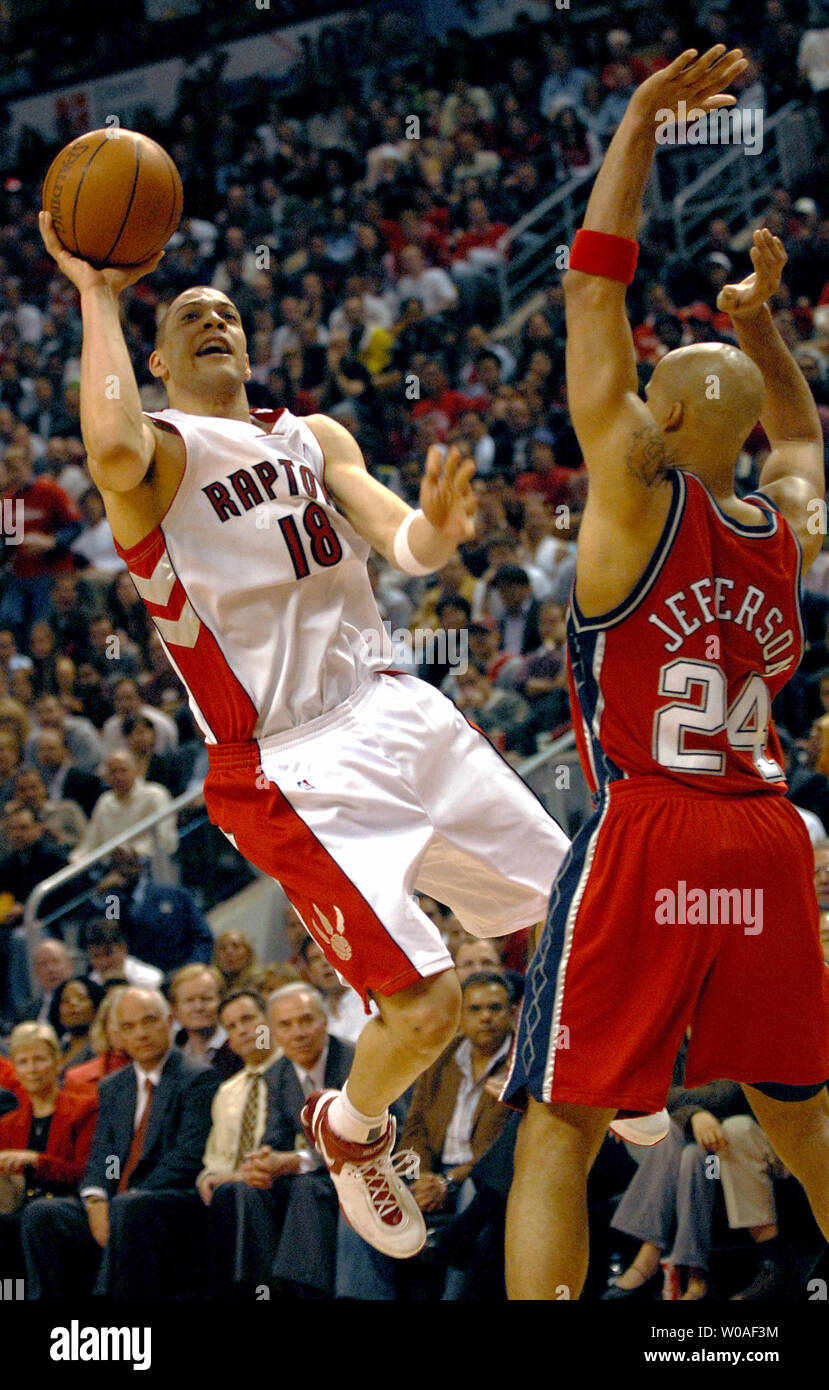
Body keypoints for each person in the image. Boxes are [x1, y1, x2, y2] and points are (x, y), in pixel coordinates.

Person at [38, 207, 572, 1260]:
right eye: (189, 314)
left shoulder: (310, 435)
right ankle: (350, 1125)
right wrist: (98, 291)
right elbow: (105, 436)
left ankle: (594, 1068)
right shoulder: (154, 455)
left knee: (578, 910)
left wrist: (439, 529)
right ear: (153, 357)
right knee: (417, 1010)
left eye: (229, 312)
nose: (215, 321)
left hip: (395, 702)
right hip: (290, 759)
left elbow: (401, 539)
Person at [503, 47, 829, 1300]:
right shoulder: (778, 530)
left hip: (651, 827)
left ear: (664, 414)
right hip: (764, 835)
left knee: (558, 1127)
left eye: (650, 387)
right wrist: (760, 329)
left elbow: (595, 289)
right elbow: (796, 431)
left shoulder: (633, 492)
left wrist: (636, 122)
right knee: (798, 1116)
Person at [20, 985, 220, 1299]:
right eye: (129, 1027)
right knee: (43, 1215)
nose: (140, 1033)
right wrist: (97, 1200)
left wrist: (122, 1203)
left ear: (169, 1021)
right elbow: (103, 1155)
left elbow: (187, 1158)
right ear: (118, 1035)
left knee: (130, 1208)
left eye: (149, 1021)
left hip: (170, 1202)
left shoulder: (198, 1078)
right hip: (119, 1202)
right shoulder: (115, 1086)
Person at [208, 983, 352, 1298]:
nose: (298, 1033)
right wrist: (261, 1163)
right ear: (273, 1032)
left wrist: (295, 1161)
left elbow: (360, 1141)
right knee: (249, 1188)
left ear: (325, 1021)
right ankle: (262, 1291)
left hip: (360, 1171)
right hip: (318, 1172)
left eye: (306, 1020)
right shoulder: (279, 1074)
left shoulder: (354, 1061)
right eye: (285, 1025)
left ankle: (304, 1293)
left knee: (305, 1185)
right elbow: (273, 1139)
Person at [0, 1022, 98, 1279]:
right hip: (21, 1209)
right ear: (16, 1070)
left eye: (39, 1059)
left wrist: (36, 1161)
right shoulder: (7, 1124)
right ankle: (11, 1298)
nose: (31, 1069)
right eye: (23, 1062)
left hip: (70, 1209)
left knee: (32, 1218)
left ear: (57, 1062)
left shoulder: (85, 1110)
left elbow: (89, 1173)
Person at [169, 963, 243, 1082]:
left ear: (222, 1003)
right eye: (189, 1000)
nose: (198, 1007)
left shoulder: (239, 1048)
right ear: (175, 1010)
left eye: (206, 999)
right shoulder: (169, 1054)